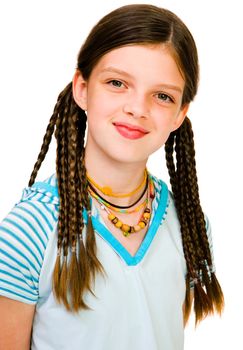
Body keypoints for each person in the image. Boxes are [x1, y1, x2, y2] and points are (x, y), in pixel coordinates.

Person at [0, 4, 224, 350]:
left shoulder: (190, 226)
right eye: (117, 83)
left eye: (162, 96)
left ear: (180, 114)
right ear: (82, 88)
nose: (137, 108)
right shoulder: (31, 227)